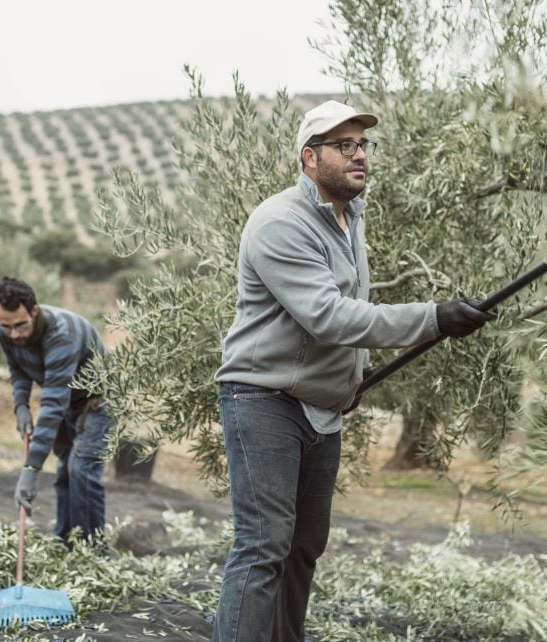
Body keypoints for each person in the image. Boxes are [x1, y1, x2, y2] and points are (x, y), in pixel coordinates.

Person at [212, 100, 496, 641]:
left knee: (303, 547)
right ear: (309, 157)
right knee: (264, 544)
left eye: (363, 145)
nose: (359, 154)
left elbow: (346, 311)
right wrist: (435, 318)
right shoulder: (279, 222)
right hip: (263, 400)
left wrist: (351, 380)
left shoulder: (350, 216)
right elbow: (328, 316)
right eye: (345, 146)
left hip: (322, 407)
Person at [0, 276, 113, 542]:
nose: (14, 334)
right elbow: (18, 368)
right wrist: (20, 405)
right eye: (6, 327)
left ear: (34, 311)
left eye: (20, 325)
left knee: (81, 470)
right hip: (68, 402)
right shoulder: (6, 331)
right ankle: (64, 540)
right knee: (64, 472)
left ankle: (91, 549)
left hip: (98, 402)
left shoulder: (62, 334)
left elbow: (53, 403)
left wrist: (31, 470)